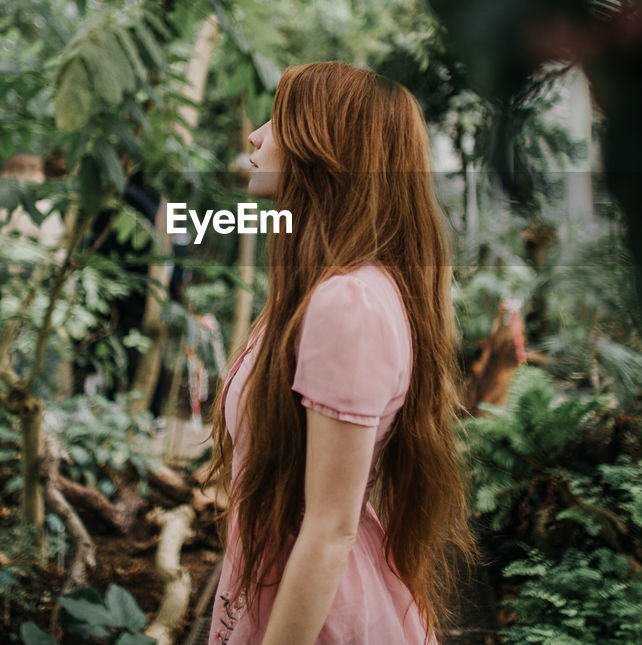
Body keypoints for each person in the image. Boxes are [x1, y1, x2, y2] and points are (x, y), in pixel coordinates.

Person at [203, 62, 478, 645]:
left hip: (318, 618)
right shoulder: (330, 291)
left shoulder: (347, 301)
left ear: (325, 146)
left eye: (279, 119)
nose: (256, 135)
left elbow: (330, 528)